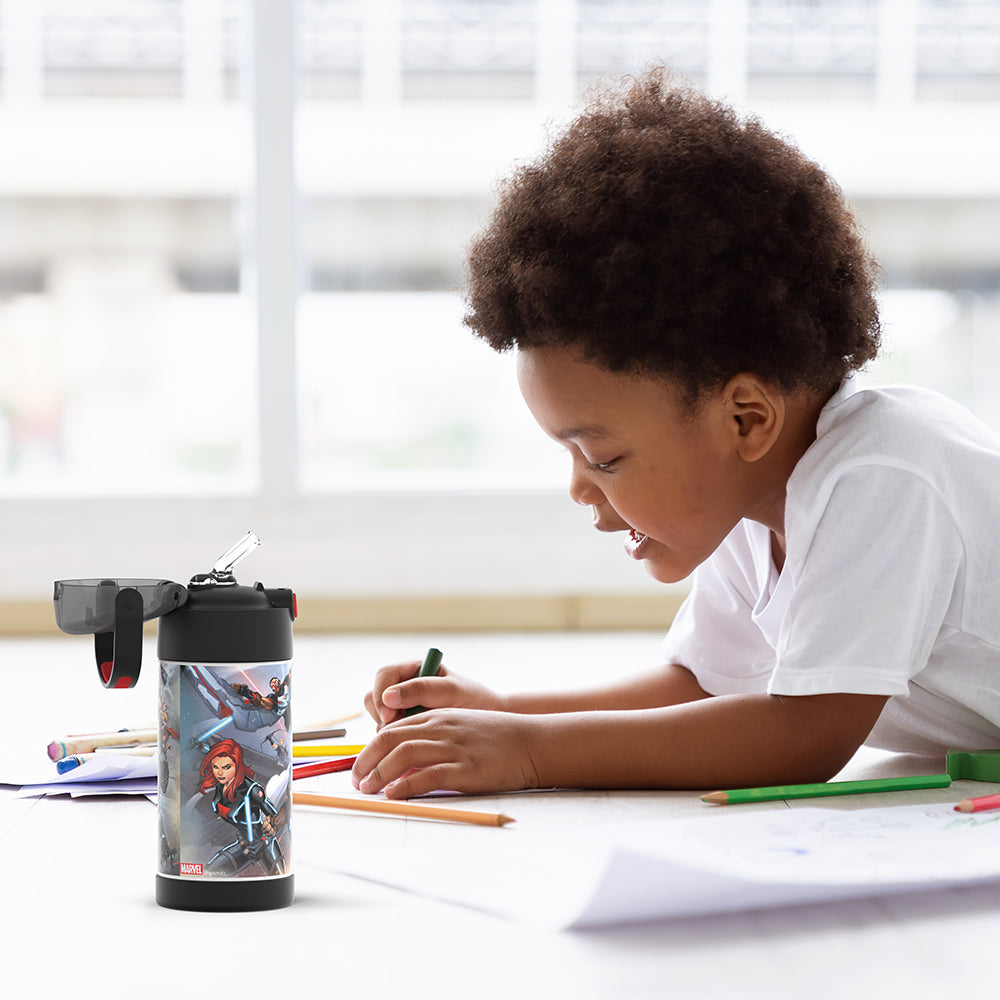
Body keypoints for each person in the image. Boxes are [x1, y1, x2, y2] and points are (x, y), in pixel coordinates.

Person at [353, 67, 1000, 800]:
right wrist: (501, 715)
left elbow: (805, 735)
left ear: (745, 418)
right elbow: (700, 687)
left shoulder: (884, 474)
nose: (579, 487)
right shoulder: (753, 501)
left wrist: (528, 751)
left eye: (602, 457)